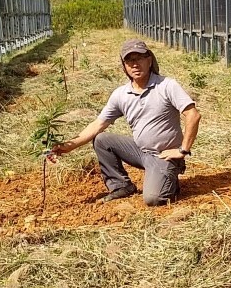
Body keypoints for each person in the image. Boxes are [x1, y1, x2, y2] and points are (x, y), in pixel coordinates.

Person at [50, 39, 200, 205]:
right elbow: (97, 125)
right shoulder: (121, 94)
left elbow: (193, 115)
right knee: (102, 140)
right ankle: (121, 186)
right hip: (140, 152)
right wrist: (69, 146)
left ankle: (170, 179)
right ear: (124, 66)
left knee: (153, 199)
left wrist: (182, 150)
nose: (135, 64)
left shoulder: (166, 86)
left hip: (163, 156)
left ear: (149, 60)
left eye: (139, 58)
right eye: (130, 60)